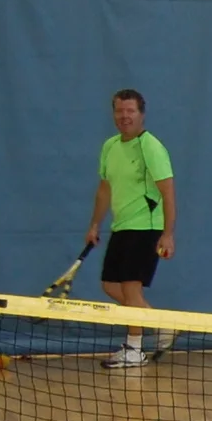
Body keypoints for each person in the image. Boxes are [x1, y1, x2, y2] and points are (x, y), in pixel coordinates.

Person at [83, 89, 175, 369]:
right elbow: (104, 189)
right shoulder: (110, 146)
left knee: (131, 290)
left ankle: (134, 350)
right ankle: (161, 323)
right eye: (119, 111)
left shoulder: (151, 147)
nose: (124, 116)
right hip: (121, 226)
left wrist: (168, 234)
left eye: (130, 111)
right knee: (110, 285)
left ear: (141, 114)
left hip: (146, 228)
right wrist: (95, 224)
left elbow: (168, 192)